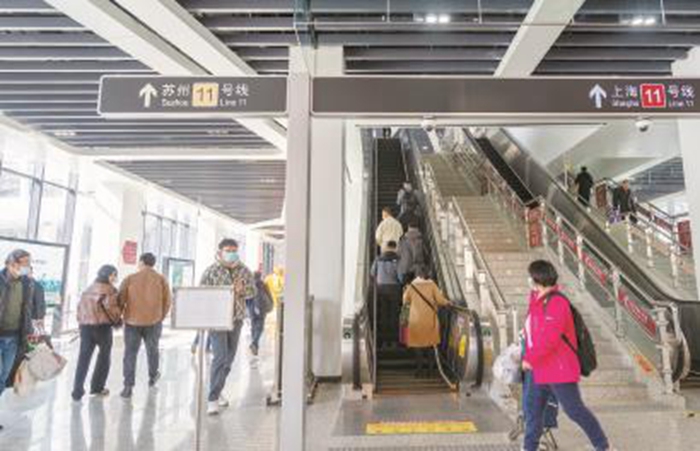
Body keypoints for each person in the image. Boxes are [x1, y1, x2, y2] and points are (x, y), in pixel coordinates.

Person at [522, 260, 611, 451]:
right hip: (538, 369)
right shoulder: (537, 300)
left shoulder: (558, 303)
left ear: (538, 278)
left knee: (574, 410)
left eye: (531, 277)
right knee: (532, 412)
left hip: (558, 369)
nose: (529, 281)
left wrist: (529, 359)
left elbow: (549, 339)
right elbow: (533, 332)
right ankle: (529, 447)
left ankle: (602, 446)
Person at [200, 238, 255, 415]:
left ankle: (218, 388)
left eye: (234, 250)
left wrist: (242, 291)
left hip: (236, 319)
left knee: (229, 359)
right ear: (220, 252)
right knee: (220, 357)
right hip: (216, 320)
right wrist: (228, 290)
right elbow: (202, 293)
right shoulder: (211, 271)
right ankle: (213, 398)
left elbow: (252, 292)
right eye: (228, 250)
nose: (231, 253)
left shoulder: (244, 270)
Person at [117, 253, 172, 399]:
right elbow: (168, 301)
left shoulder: (130, 278)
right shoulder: (161, 279)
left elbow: (121, 299)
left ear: (141, 262)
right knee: (152, 350)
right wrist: (160, 316)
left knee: (130, 353)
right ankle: (153, 376)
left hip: (132, 322)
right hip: (154, 322)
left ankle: (128, 386)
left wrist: (121, 315)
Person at [0, 250, 38, 430]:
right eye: (24, 263)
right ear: (11, 264)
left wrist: (28, 332)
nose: (26, 267)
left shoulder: (27, 283)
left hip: (14, 337)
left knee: (3, 377)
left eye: (28, 263)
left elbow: (28, 309)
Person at [72, 265, 121, 401]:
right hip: (102, 328)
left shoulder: (88, 289)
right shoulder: (110, 290)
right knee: (104, 357)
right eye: (113, 275)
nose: (115, 278)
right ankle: (97, 387)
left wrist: (81, 323)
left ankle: (77, 391)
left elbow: (79, 309)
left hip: (85, 328)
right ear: (107, 275)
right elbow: (112, 309)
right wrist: (118, 319)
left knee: (83, 358)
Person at [402, 266, 449, 377]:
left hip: (415, 320)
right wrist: (448, 302)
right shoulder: (432, 285)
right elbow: (440, 300)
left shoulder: (411, 287)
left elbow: (405, 302)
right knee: (431, 345)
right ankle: (430, 370)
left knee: (417, 346)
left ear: (417, 275)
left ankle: (419, 370)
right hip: (430, 319)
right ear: (427, 274)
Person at [370, 240, 401, 348]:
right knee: (394, 314)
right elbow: (400, 276)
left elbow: (372, 273)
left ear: (386, 247)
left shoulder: (378, 259)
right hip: (394, 289)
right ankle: (394, 341)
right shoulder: (398, 260)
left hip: (381, 289)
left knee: (383, 313)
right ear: (395, 248)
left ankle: (383, 341)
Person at [248, 271, 274, 357]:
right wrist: (271, 305)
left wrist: (249, 308)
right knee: (260, 328)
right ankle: (254, 343)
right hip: (261, 309)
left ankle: (255, 346)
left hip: (252, 309)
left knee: (254, 327)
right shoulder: (263, 284)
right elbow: (269, 295)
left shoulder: (250, 285)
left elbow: (247, 298)